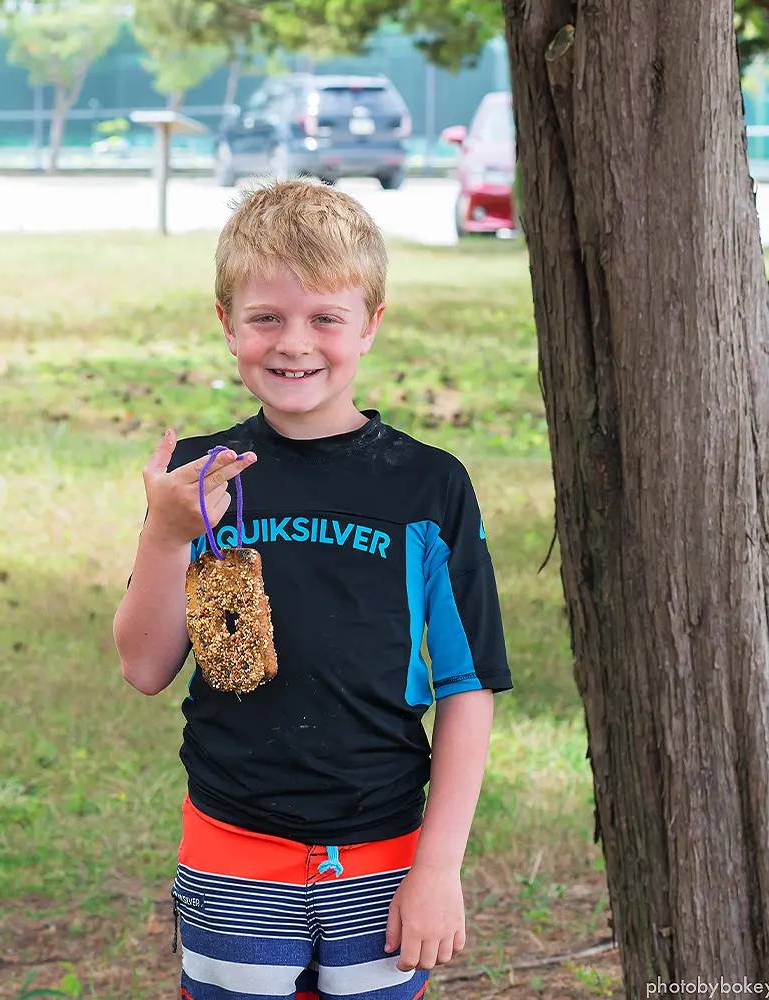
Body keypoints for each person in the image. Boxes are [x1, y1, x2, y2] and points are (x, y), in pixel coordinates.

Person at [113, 180, 511, 1000]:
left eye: (326, 317)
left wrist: (437, 868)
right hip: (233, 845)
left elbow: (468, 689)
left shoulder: (427, 486)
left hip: (384, 853)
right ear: (227, 324)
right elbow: (146, 666)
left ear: (370, 324)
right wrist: (166, 530)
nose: (296, 343)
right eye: (266, 317)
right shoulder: (201, 474)